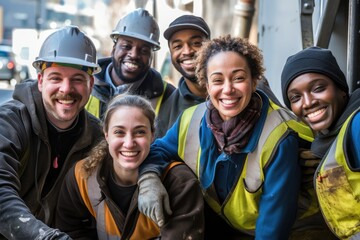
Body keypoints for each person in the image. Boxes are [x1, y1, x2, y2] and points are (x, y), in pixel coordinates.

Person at [137, 35, 315, 239]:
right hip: (226, 226)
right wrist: (149, 178)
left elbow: (273, 228)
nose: (228, 89)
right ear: (206, 84)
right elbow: (157, 150)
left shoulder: (280, 136)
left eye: (238, 78)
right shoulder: (191, 119)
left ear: (254, 80)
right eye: (218, 80)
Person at [0, 25, 102, 239]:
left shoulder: (96, 137)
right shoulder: (10, 122)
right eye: (56, 78)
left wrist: (149, 177)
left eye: (77, 79)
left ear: (90, 84)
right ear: (40, 81)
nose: (66, 89)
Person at [55, 94, 204, 239]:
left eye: (139, 132)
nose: (129, 143)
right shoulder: (82, 175)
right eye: (119, 132)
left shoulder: (180, 183)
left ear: (152, 135)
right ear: (106, 134)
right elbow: (71, 231)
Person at [281, 46, 360, 239]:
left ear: (341, 89)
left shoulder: (357, 124)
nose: (307, 102)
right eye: (295, 97)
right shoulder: (327, 140)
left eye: (318, 88)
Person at [85, 8, 175, 136]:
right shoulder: (85, 86)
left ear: (151, 57)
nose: (134, 55)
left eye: (144, 50)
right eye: (126, 46)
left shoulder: (168, 96)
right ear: (113, 49)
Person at [155, 15, 210, 137]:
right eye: (178, 46)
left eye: (196, 43)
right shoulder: (167, 110)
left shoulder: (234, 91)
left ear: (210, 46)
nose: (187, 51)